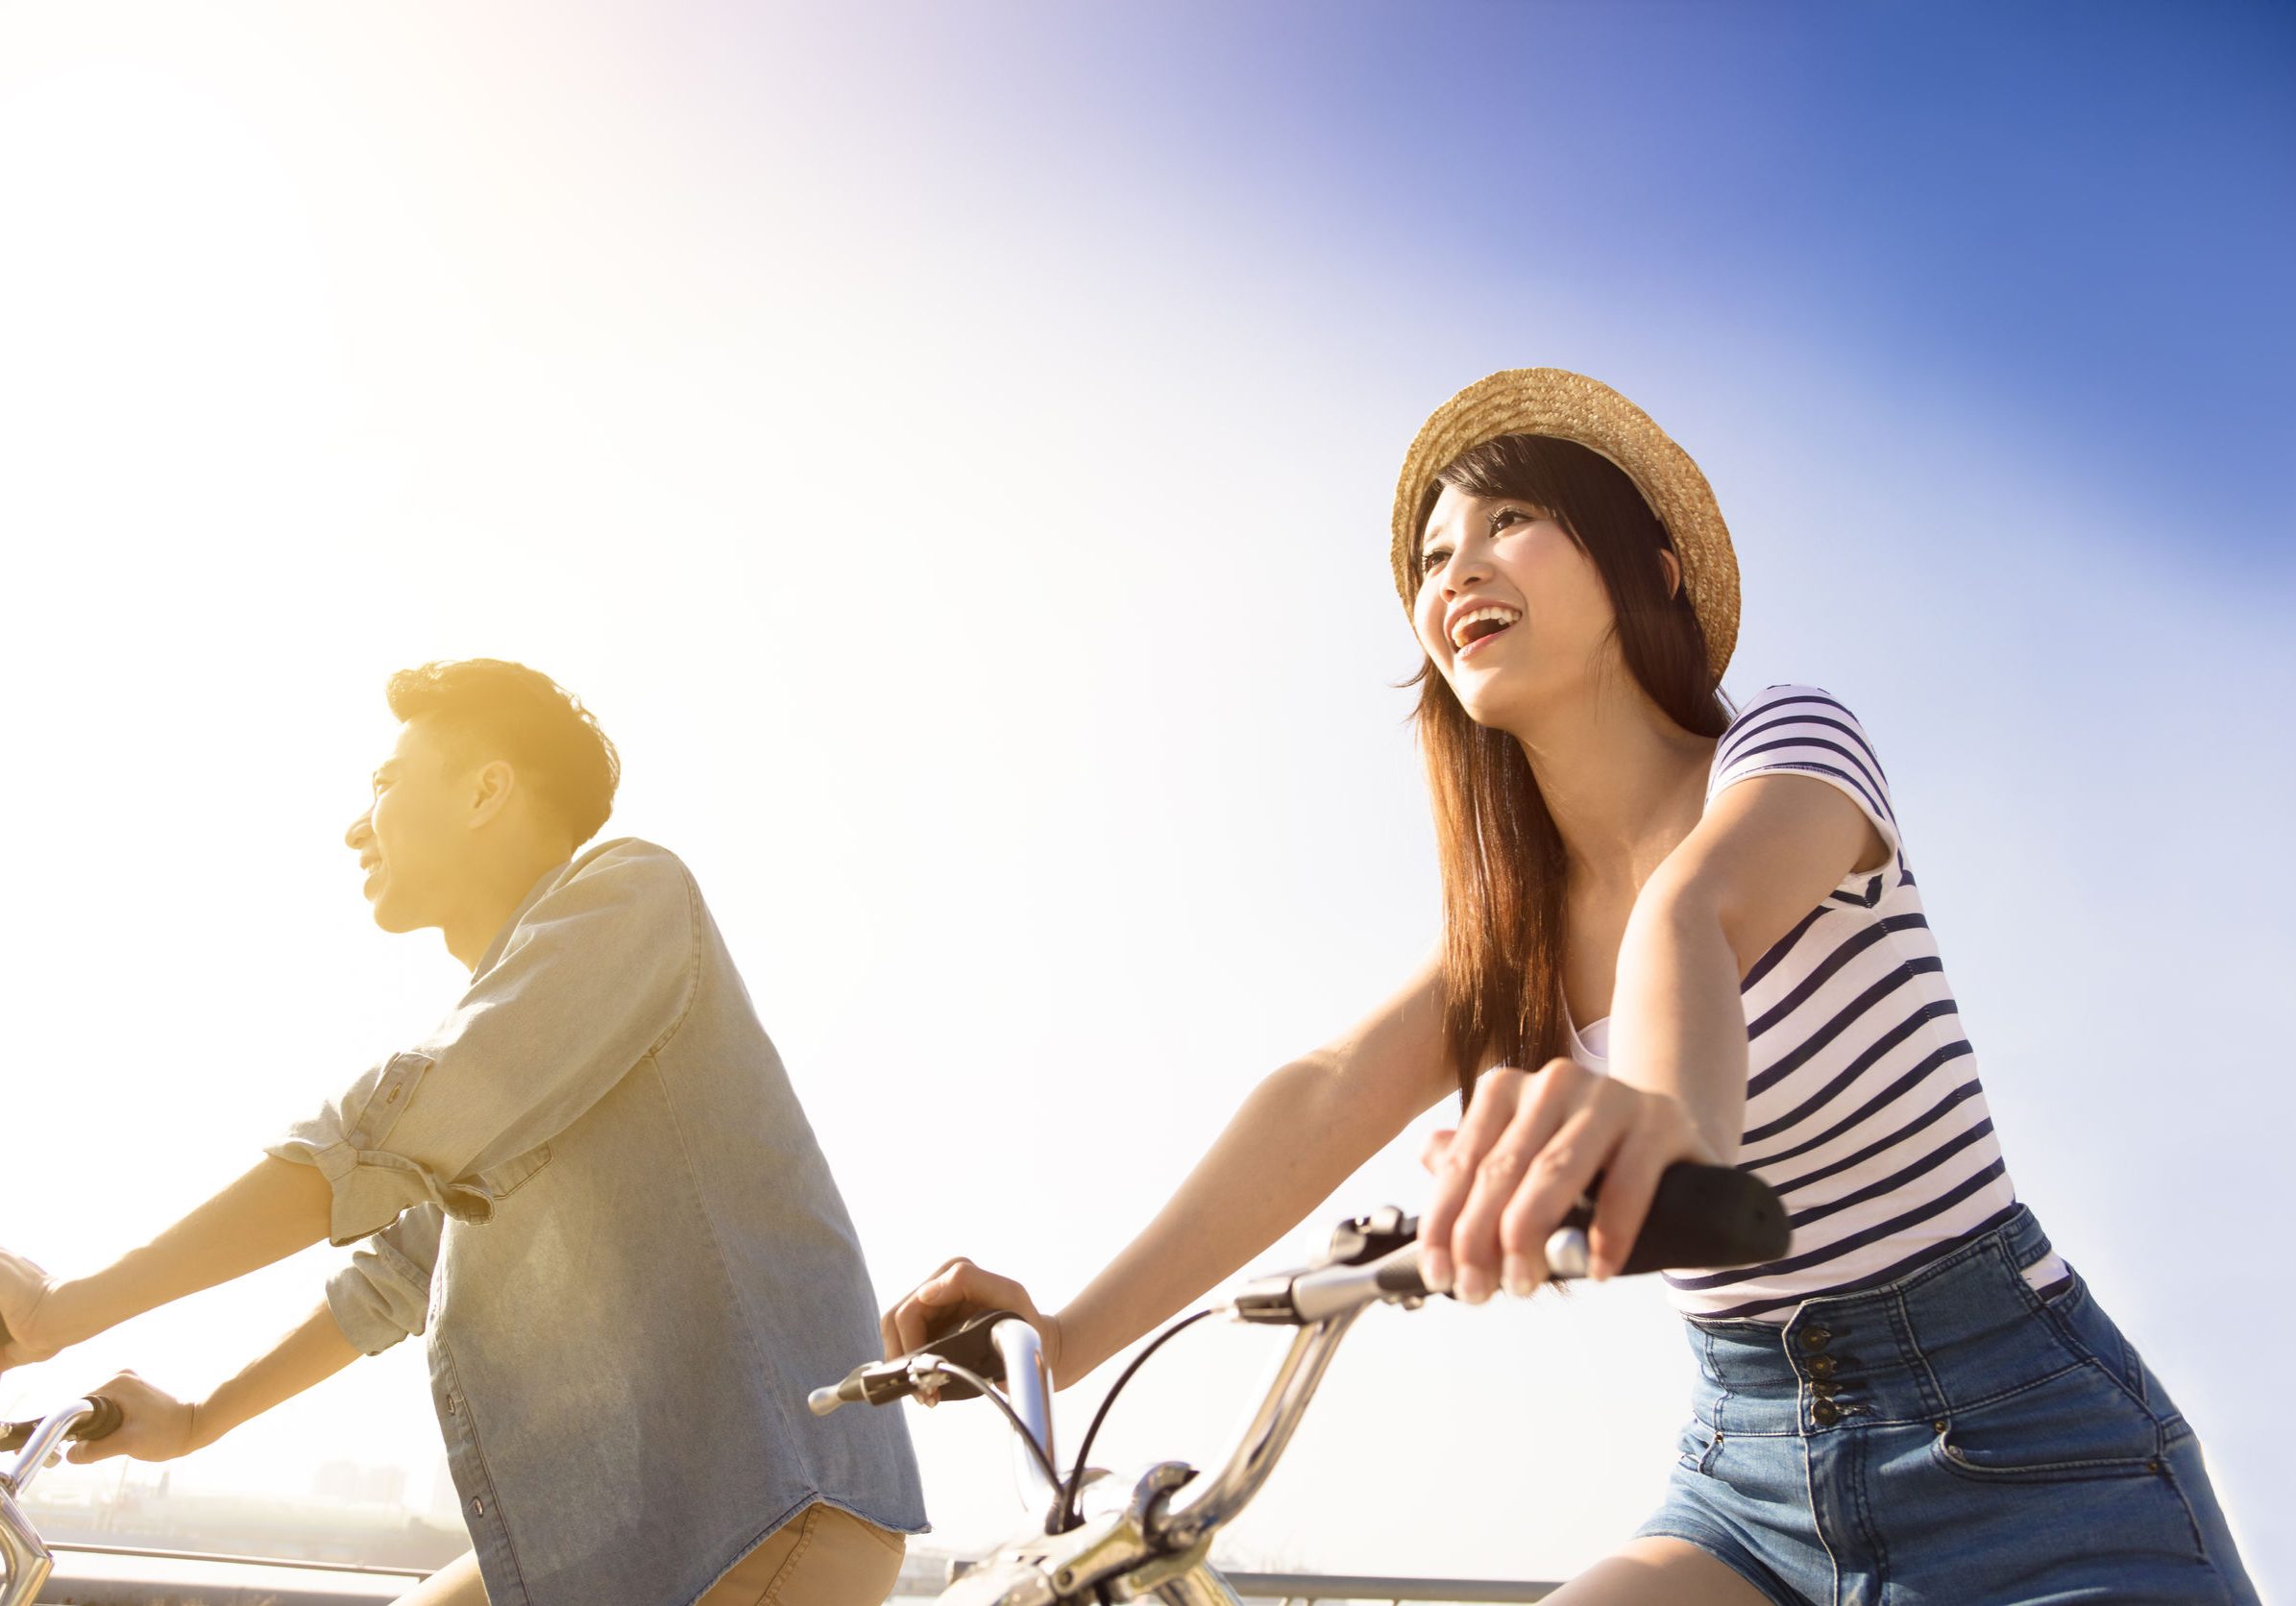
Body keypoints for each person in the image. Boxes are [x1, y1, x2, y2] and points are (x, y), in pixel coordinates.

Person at [882, 371, 2257, 1604]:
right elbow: (1316, 1098)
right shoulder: (1513, 950)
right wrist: (1053, 1344)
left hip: (2029, 1446)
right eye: (1430, 554)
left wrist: (1661, 1128)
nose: (1454, 567)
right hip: (1750, 1476)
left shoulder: (1786, 749)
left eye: (1506, 521)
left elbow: (1693, 917)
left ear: (1646, 567)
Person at [0, 658, 925, 1606]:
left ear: (487, 788)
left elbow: (389, 1131)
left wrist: (61, 1310)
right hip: (650, 1532)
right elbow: (395, 1277)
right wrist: (198, 1419)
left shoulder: (630, 898)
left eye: (387, 783)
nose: (357, 825)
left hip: (754, 1512)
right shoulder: (542, 1043)